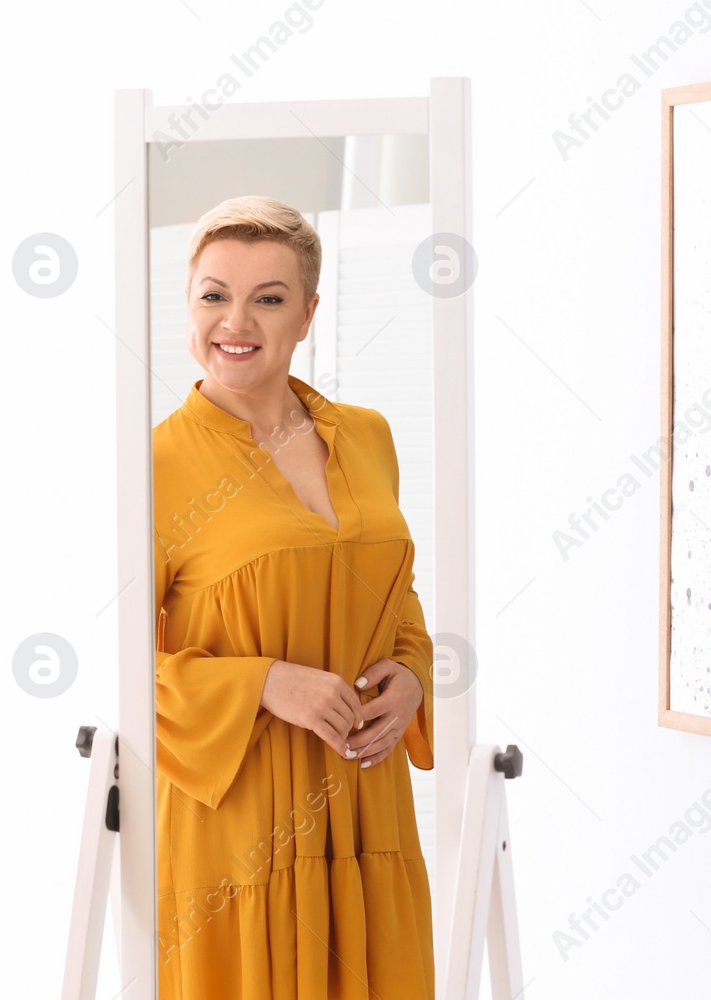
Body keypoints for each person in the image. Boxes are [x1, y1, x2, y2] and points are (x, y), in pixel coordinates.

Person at [152, 196, 435, 998]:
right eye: (213, 294)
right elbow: (122, 669)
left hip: (368, 804)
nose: (234, 320)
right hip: (243, 824)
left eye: (267, 298)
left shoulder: (370, 434)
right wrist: (264, 684)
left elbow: (397, 597)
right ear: (189, 304)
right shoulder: (156, 463)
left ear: (308, 313)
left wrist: (411, 676)